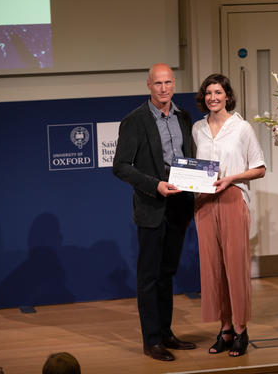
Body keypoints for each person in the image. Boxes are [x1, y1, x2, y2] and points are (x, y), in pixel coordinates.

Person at [113, 63, 196, 361]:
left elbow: (190, 157)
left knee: (167, 273)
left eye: (168, 82)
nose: (163, 88)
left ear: (174, 83)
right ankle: (151, 341)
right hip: (152, 205)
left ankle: (166, 333)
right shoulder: (135, 120)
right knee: (149, 276)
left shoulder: (183, 116)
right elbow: (120, 167)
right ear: (149, 85)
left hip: (180, 204)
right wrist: (155, 185)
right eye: (158, 83)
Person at [193, 73, 265, 357]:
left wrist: (230, 178)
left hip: (233, 197)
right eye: (208, 93)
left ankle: (241, 328)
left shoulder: (242, 127)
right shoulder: (197, 128)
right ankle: (224, 329)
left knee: (235, 267)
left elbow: (259, 168)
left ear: (227, 96)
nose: (213, 97)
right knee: (213, 270)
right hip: (204, 202)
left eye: (218, 92)